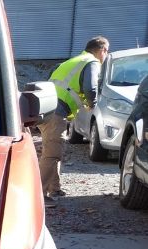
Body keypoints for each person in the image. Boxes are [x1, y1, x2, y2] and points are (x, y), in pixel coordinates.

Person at [37, 36, 109, 200]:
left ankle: (54, 188)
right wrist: (93, 104)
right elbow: (90, 88)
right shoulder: (91, 62)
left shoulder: (74, 60)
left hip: (47, 109)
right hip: (56, 112)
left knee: (54, 150)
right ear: (102, 50)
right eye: (106, 52)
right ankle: (39, 195)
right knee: (52, 154)